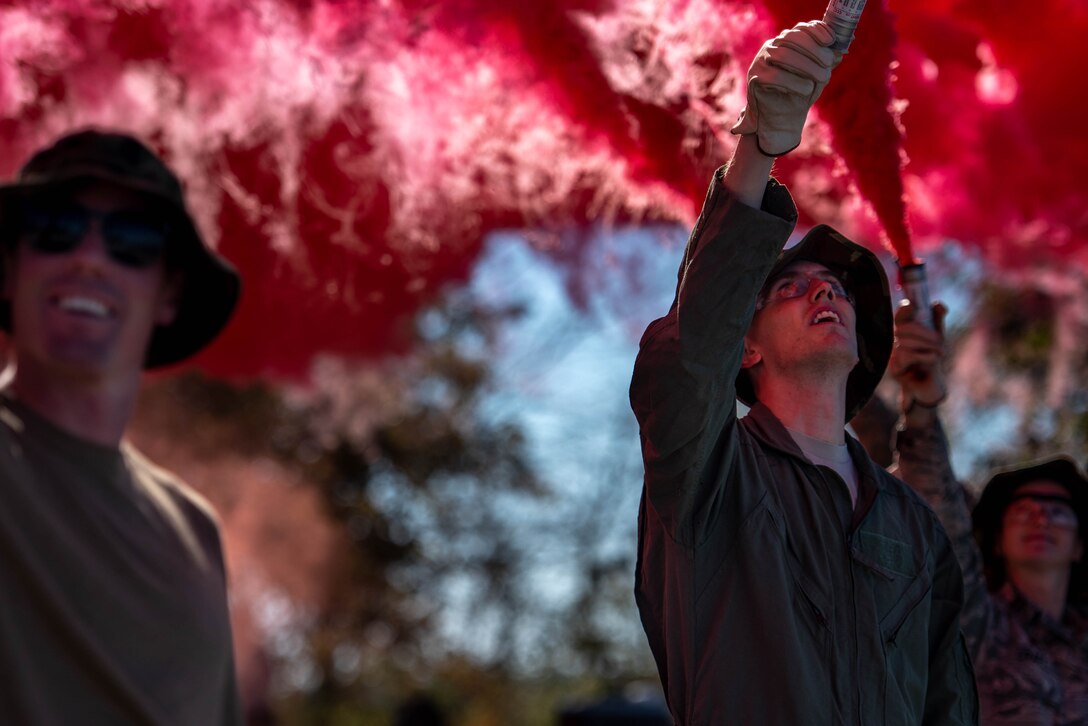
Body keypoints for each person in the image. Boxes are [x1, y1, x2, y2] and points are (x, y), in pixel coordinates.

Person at [629, 20, 978, 725]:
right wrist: (759, 144)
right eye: (792, 286)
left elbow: (951, 704)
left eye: (840, 288)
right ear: (745, 347)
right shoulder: (707, 474)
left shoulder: (913, 524)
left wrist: (924, 407)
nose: (828, 291)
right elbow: (692, 349)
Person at [0, 130, 243, 724]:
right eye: (55, 226)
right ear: (7, 269)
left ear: (170, 292)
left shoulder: (195, 533)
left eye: (132, 240)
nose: (89, 257)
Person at [892, 300, 1088, 724]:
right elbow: (939, 504)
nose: (1039, 517)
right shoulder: (980, 624)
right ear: (997, 541)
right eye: (1022, 510)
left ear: (1079, 545)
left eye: (1057, 510)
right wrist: (921, 406)